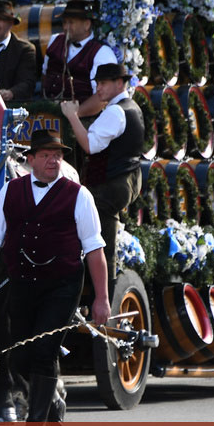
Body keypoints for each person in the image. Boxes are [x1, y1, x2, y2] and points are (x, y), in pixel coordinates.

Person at [0, 129, 109, 426]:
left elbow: (94, 248)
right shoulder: (10, 191)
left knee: (44, 351)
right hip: (22, 284)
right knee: (19, 356)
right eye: (46, 155)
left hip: (62, 285)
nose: (53, 160)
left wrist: (101, 298)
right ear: (31, 159)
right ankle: (52, 404)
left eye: (58, 155)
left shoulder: (79, 195)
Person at [58, 62, 144, 290]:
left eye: (104, 83)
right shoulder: (130, 107)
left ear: (119, 83)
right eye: (97, 83)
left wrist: (72, 116)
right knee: (101, 232)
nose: (98, 89)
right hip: (126, 179)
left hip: (114, 182)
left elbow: (89, 145)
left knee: (95, 235)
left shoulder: (117, 111)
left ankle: (98, 291)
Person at [40, 0, 117, 116]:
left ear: (87, 24)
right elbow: (45, 74)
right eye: (64, 22)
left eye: (71, 22)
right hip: (49, 114)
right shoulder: (55, 40)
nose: (66, 27)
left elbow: (102, 97)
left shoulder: (102, 53)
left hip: (83, 120)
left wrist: (74, 116)